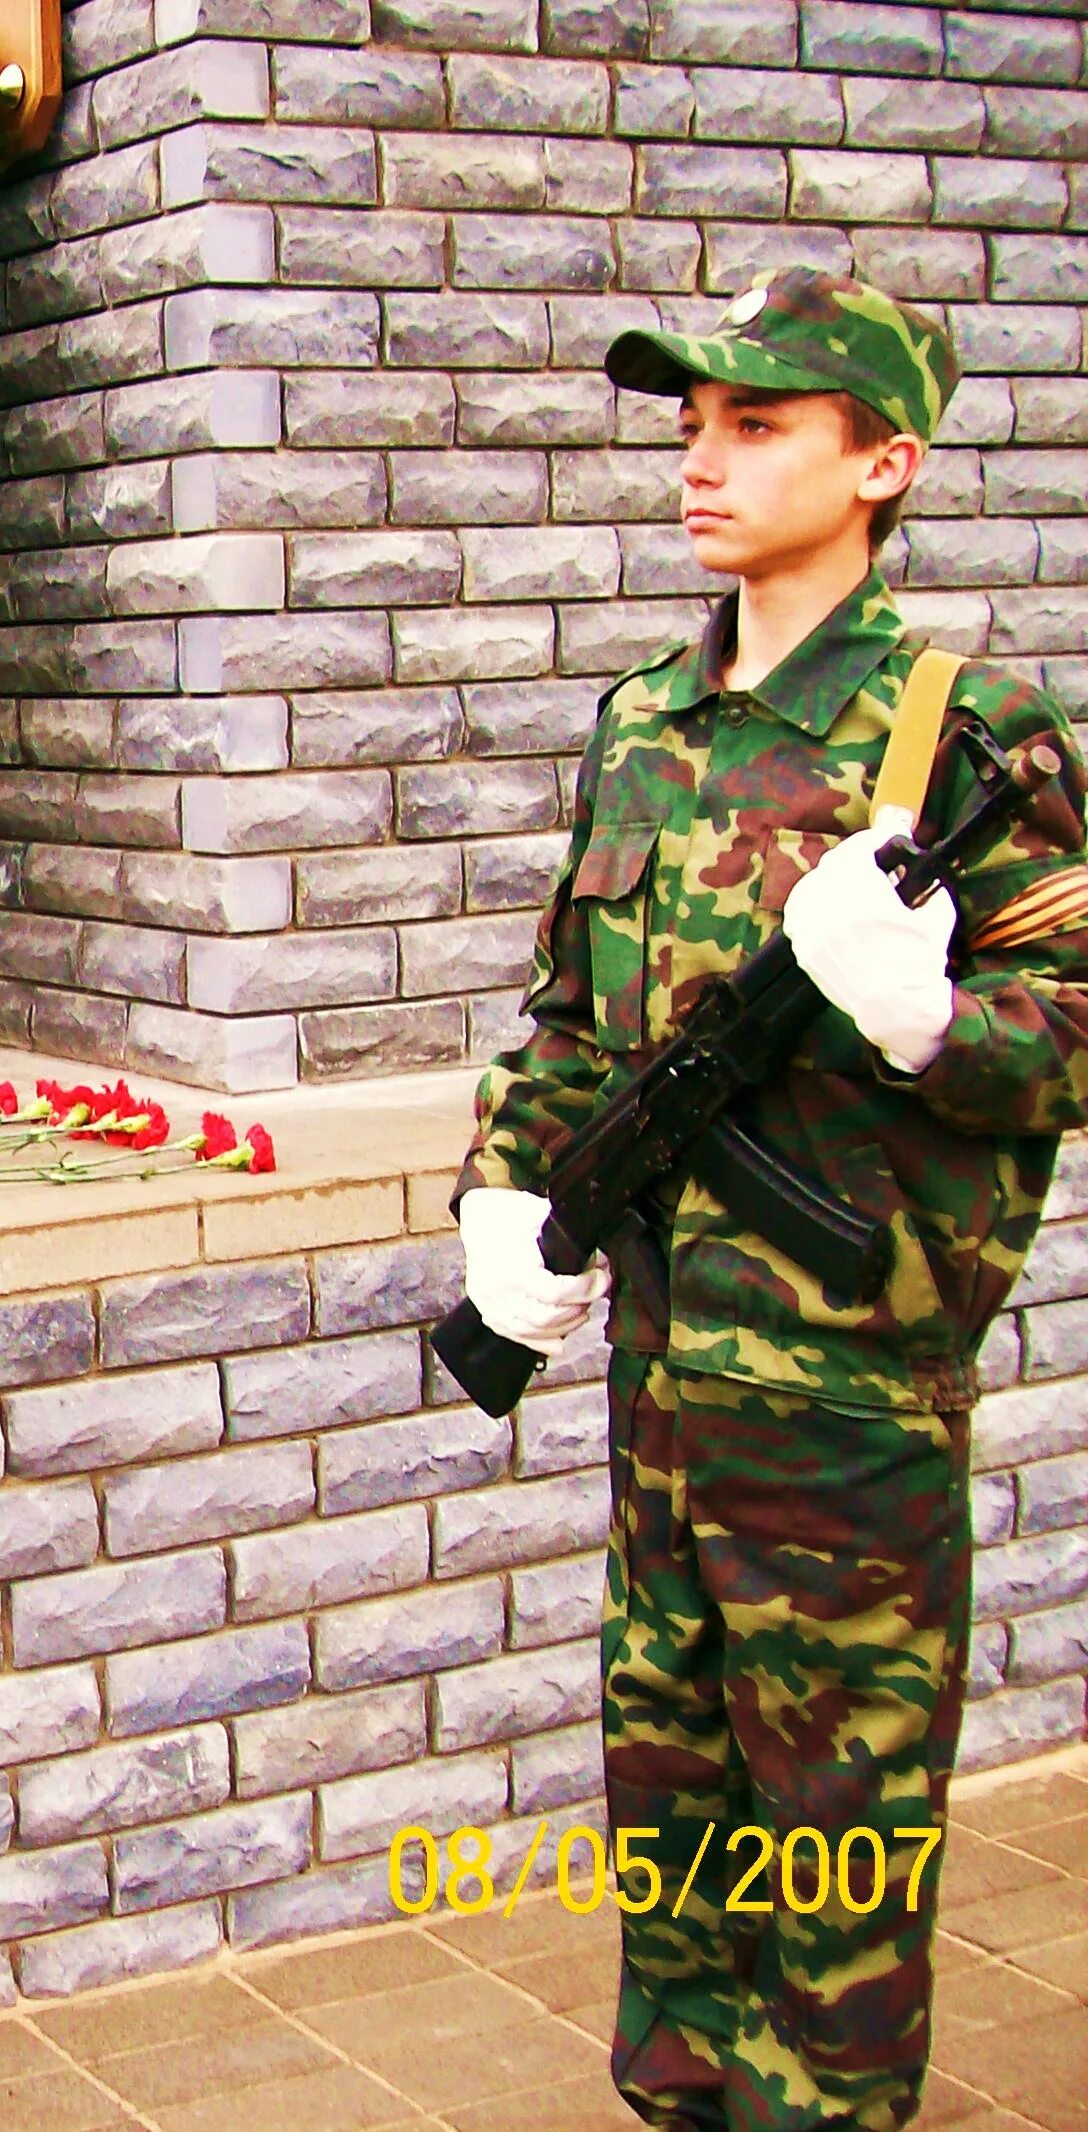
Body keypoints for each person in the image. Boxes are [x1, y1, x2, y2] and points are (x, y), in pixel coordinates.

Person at [458, 271, 1088, 2132]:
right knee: (665, 1798)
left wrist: (926, 1020)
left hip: (844, 1395)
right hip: (656, 1386)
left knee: (829, 1833)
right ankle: (681, 2094)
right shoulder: (643, 720)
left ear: (881, 461)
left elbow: (1070, 1033)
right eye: (689, 424)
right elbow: (570, 1016)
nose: (702, 459)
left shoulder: (966, 733)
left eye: (757, 423)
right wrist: (502, 1196)